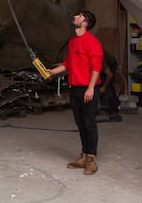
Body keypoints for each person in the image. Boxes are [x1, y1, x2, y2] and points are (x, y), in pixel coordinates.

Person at [47, 10, 103, 175]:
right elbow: (67, 64)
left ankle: (92, 159)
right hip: (75, 88)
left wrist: (91, 88)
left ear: (85, 23)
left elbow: (96, 67)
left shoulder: (92, 42)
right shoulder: (73, 42)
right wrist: (52, 72)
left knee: (89, 123)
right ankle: (84, 155)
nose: (75, 17)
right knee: (80, 123)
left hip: (88, 88)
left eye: (79, 16)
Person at [99, 51, 121, 122]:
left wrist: (103, 87)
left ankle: (115, 111)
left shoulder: (100, 60)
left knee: (109, 88)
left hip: (111, 64)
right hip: (103, 65)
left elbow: (110, 75)